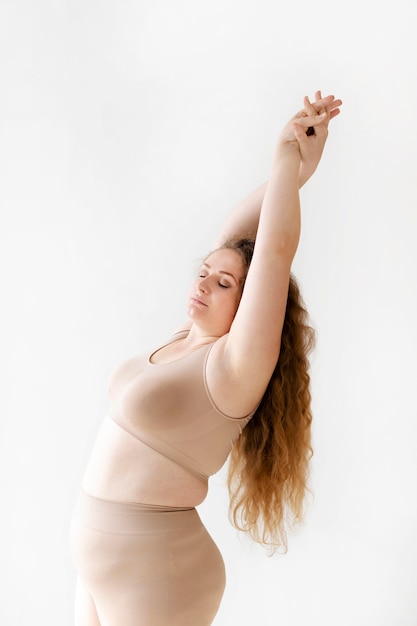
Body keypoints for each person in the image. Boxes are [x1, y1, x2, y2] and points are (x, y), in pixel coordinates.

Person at [70, 90, 342, 626]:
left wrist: (285, 159)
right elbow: (237, 239)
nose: (205, 283)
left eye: (224, 284)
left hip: (158, 572)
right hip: (104, 565)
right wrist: (294, 174)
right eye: (205, 272)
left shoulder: (231, 369)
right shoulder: (183, 341)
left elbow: (273, 249)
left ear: (249, 311)